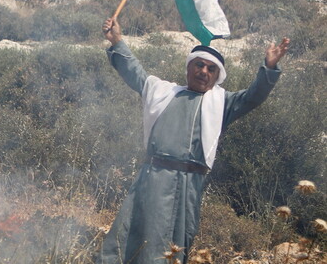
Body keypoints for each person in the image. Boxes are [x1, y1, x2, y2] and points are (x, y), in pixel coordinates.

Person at [98, 17, 290, 264]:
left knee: (173, 246)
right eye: (199, 65)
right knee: (129, 238)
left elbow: (253, 97)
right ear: (189, 68)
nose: (203, 72)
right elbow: (134, 72)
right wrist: (117, 41)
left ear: (217, 76)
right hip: (152, 178)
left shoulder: (222, 104)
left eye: (211, 69)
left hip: (189, 185)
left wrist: (269, 68)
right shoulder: (162, 92)